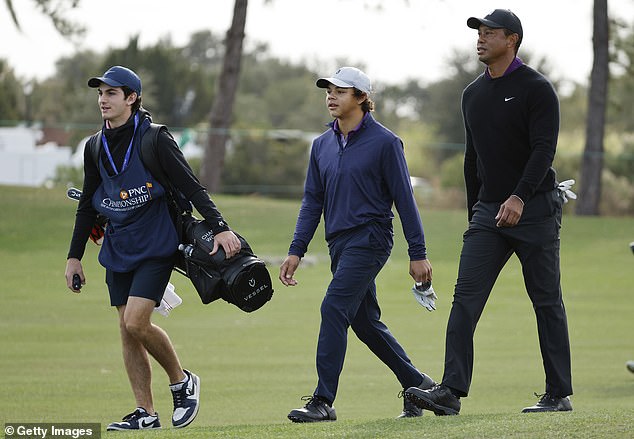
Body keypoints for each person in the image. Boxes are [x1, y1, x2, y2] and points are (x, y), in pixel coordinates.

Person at [405, 9, 573, 414]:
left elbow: (543, 151)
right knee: (464, 299)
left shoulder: (537, 88)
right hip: (488, 215)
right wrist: (475, 216)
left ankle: (558, 393)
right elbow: (472, 159)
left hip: (534, 208)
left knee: (546, 300)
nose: (480, 38)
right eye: (479, 33)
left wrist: (519, 196)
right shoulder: (472, 94)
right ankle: (450, 392)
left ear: (511, 39)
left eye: (490, 33)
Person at [64, 65, 241, 430]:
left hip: (158, 241)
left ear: (131, 98)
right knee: (126, 329)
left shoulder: (155, 138)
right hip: (118, 245)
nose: (103, 99)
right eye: (100, 93)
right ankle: (146, 412)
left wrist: (220, 228)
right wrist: (74, 256)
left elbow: (192, 187)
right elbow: (88, 205)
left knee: (136, 321)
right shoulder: (95, 146)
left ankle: (181, 380)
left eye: (111, 93)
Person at [279, 66, 435, 422]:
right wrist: (296, 249)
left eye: (341, 91)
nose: (331, 97)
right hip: (339, 243)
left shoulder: (386, 142)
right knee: (365, 323)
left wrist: (418, 252)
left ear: (362, 98)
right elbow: (311, 202)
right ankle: (421, 387)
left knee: (333, 307)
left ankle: (322, 400)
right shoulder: (321, 146)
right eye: (328, 91)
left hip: (372, 238)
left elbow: (404, 200)